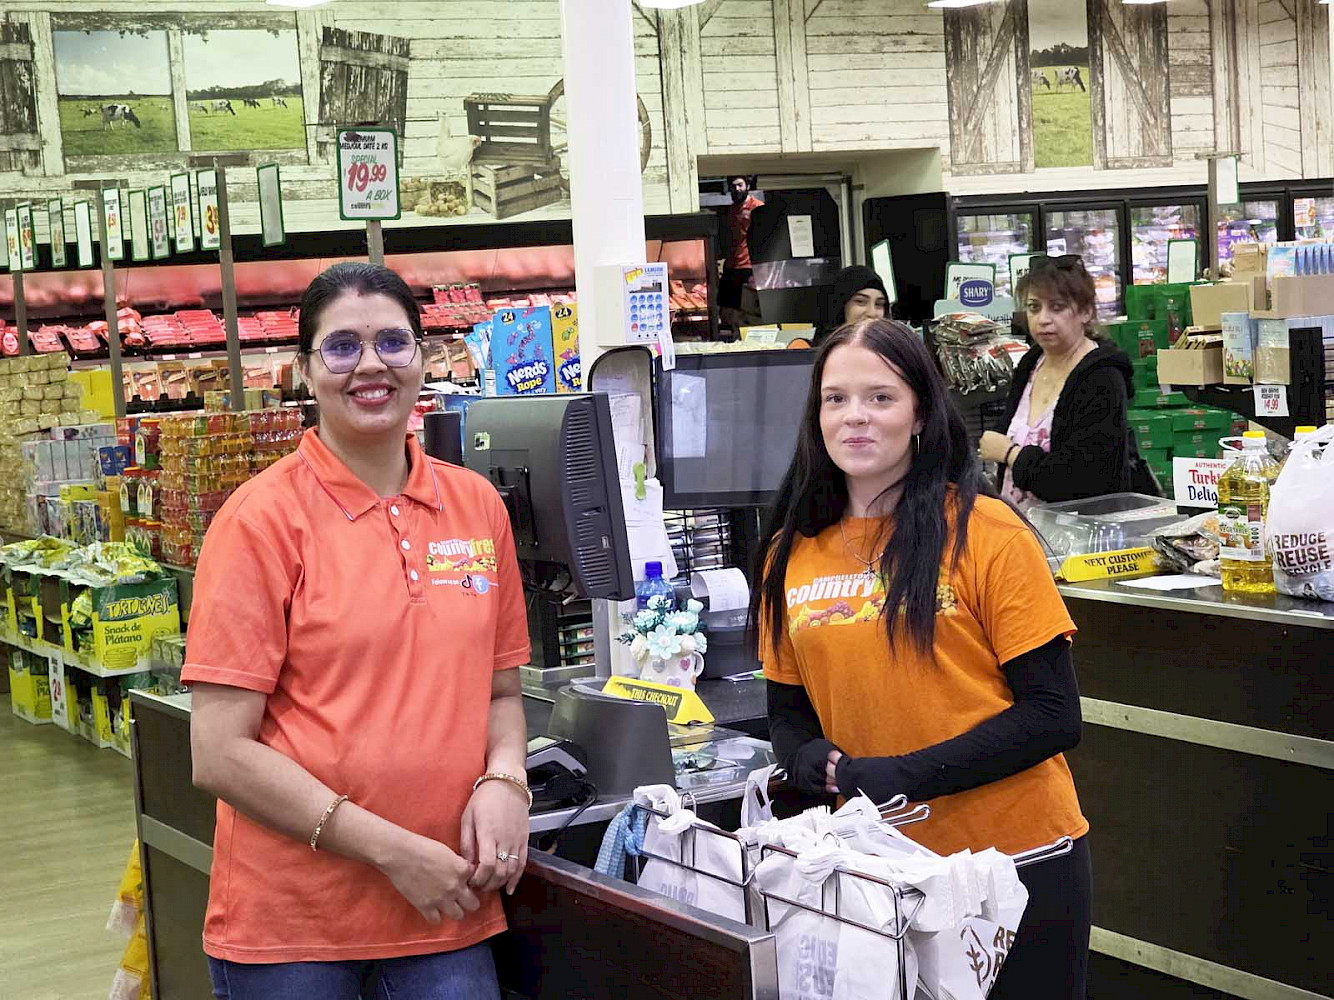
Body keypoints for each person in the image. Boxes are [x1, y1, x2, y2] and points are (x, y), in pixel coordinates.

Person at [183, 262, 532, 1000]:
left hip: (447, 912)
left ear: (423, 359)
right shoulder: (258, 522)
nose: (371, 365)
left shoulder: (478, 507)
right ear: (305, 370)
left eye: (393, 342)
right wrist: (392, 851)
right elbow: (219, 753)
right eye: (342, 346)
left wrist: (507, 781)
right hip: (293, 933)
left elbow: (500, 693)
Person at [752, 318, 1091, 1000]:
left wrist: (903, 777)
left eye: (880, 397)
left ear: (921, 414)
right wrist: (807, 758)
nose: (855, 417)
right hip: (879, 874)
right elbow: (787, 712)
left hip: (1014, 863)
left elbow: (1054, 715)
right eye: (836, 399)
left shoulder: (987, 531)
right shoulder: (791, 552)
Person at [978, 254, 1135, 508]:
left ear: (1086, 312)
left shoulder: (1102, 377)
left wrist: (1010, 454)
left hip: (1075, 529)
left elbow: (1083, 480)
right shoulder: (1032, 362)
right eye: (1034, 307)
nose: (1043, 319)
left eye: (1057, 307)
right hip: (1018, 526)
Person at [808, 265, 890, 347]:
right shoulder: (817, 352)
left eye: (879, 304)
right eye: (860, 301)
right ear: (841, 307)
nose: (872, 313)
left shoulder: (891, 351)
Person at [719, 175, 763, 316]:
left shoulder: (757, 207)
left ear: (747, 186)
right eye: (733, 186)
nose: (737, 189)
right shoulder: (731, 210)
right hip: (731, 265)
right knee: (726, 308)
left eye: (740, 185)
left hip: (749, 266)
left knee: (747, 308)